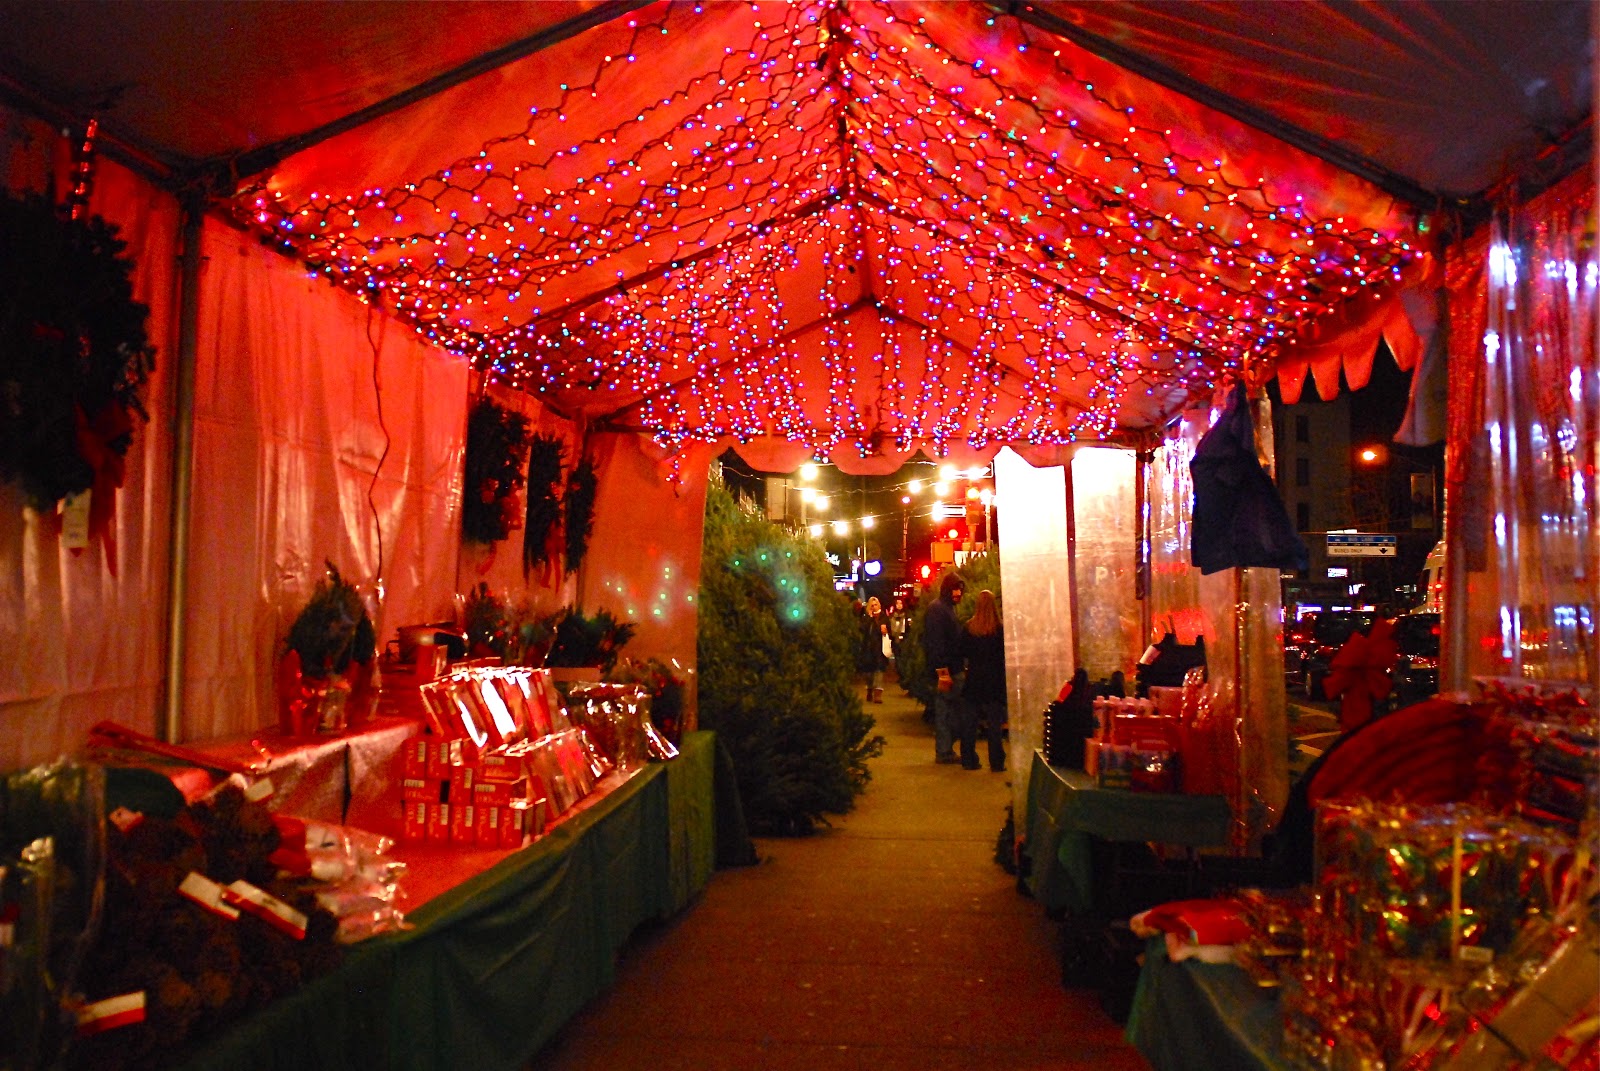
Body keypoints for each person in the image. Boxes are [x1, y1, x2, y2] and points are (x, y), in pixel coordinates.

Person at [921, 571, 967, 765]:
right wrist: (943, 672)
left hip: (952, 669)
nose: (958, 593)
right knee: (948, 711)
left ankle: (945, 749)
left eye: (960, 590)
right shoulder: (939, 610)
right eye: (955, 589)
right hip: (948, 671)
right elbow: (936, 643)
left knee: (949, 711)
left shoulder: (943, 609)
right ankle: (944, 750)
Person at [962, 589, 1007, 772]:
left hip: (974, 678)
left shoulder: (969, 628)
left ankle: (969, 759)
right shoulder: (999, 629)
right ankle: (996, 761)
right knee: (994, 724)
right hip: (994, 680)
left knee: (970, 723)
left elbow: (962, 652)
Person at [857, 596, 891, 703]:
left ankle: (878, 695)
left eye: (875, 605)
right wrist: (870, 618)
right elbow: (862, 629)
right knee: (869, 674)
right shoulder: (866, 618)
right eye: (872, 605)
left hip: (880, 649)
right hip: (868, 649)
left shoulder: (883, 617)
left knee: (879, 671)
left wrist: (885, 631)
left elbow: (888, 630)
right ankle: (870, 689)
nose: (874, 607)